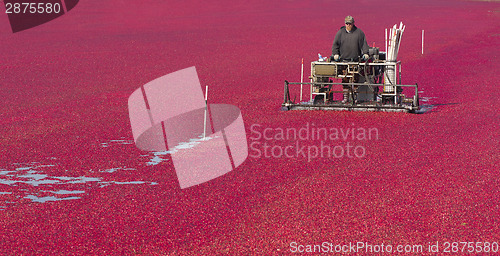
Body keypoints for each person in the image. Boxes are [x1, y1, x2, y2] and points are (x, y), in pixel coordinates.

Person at [331, 16, 370, 103]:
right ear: (344, 24)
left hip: (355, 61)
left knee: (355, 79)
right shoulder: (340, 33)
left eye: (350, 24)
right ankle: (346, 97)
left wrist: (366, 53)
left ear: (353, 23)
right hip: (344, 61)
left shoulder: (359, 33)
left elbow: (364, 44)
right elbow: (335, 45)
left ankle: (355, 97)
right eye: (347, 24)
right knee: (345, 79)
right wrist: (336, 54)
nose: (348, 25)